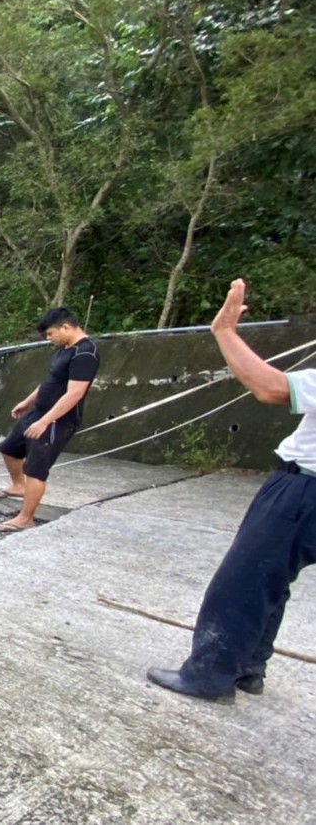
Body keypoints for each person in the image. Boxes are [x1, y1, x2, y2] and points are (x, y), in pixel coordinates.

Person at [147, 279, 315, 703]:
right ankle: (248, 667)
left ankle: (210, 675)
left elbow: (272, 387)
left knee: (243, 581)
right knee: (272, 579)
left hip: (303, 490)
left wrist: (224, 331)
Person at [0, 307, 100, 532]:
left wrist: (44, 422)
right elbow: (50, 381)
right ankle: (19, 486)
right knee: (9, 449)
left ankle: (25, 518)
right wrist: (27, 402)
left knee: (36, 469)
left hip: (57, 420)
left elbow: (74, 394)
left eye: (51, 334)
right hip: (39, 412)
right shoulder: (64, 349)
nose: (49, 339)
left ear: (66, 327)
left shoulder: (85, 354)